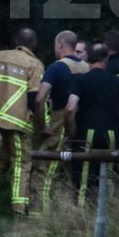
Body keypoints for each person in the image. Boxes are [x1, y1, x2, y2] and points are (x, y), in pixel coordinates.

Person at [29, 30, 89, 213]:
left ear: (61, 45)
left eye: (56, 45)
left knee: (44, 168)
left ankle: (39, 213)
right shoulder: (87, 67)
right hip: (82, 125)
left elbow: (40, 99)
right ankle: (71, 209)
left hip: (60, 123)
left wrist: (41, 127)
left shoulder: (56, 67)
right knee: (72, 170)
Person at [0, 27, 43, 216]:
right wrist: (39, 125)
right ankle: (19, 210)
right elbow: (34, 99)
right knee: (22, 164)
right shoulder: (34, 65)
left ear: (15, 41)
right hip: (18, 123)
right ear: (34, 44)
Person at [66, 43, 119, 205]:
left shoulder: (80, 80)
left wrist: (71, 133)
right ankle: (111, 210)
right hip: (113, 133)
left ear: (88, 58)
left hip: (88, 133)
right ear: (106, 59)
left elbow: (71, 108)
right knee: (109, 175)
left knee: (84, 176)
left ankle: (81, 213)